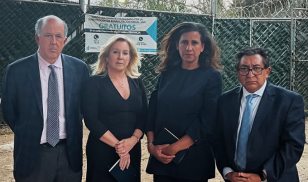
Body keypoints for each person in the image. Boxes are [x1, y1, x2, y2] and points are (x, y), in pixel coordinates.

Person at [1, 15, 89, 181]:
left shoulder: (79, 69)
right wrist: (29, 132)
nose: (53, 41)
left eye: (58, 36)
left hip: (69, 155)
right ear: (37, 38)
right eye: (48, 35)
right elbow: (9, 111)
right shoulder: (16, 71)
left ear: (64, 40)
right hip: (32, 155)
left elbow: (82, 108)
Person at [215, 47, 305, 182]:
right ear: (238, 72)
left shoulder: (289, 101)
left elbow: (293, 145)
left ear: (267, 71)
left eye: (257, 68)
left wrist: (263, 175)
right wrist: (228, 172)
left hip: (275, 178)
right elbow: (219, 140)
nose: (250, 75)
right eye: (244, 69)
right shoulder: (225, 101)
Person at [146, 22, 222, 181]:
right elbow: (152, 111)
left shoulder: (211, 76)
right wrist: (152, 146)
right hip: (162, 157)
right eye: (184, 42)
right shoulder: (165, 74)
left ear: (202, 46)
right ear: (176, 45)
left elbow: (208, 120)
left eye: (194, 43)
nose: (189, 48)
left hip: (193, 159)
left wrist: (175, 148)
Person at [82, 34, 148, 182]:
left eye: (125, 53)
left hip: (132, 149)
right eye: (115, 52)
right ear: (106, 57)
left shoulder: (138, 83)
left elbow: (144, 115)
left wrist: (133, 140)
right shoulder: (93, 83)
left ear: (130, 58)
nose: (120, 57)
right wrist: (119, 147)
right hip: (102, 150)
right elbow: (91, 120)